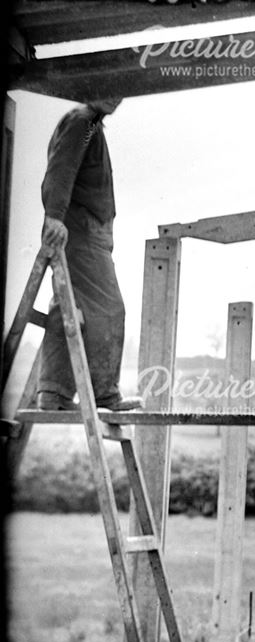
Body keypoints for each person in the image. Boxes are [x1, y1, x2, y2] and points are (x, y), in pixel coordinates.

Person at [36, 97, 143, 411]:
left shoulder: (89, 125)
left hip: (85, 233)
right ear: (87, 86)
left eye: (121, 92)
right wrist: (54, 215)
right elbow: (62, 168)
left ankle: (53, 394)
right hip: (81, 234)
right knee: (110, 309)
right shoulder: (84, 122)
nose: (115, 98)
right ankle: (105, 394)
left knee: (68, 310)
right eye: (108, 88)